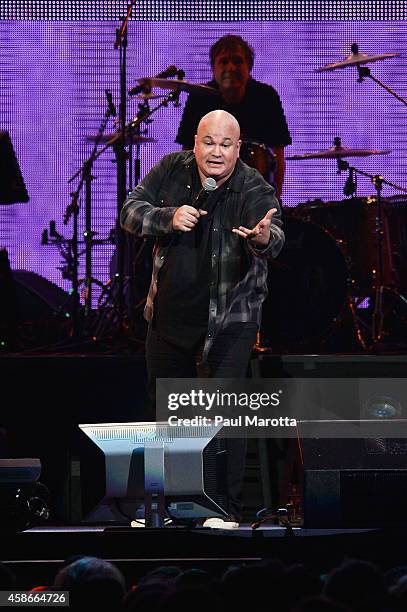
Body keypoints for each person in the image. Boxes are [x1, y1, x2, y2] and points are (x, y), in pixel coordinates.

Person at [120, 109, 284, 527]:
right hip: (171, 312)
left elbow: (274, 235)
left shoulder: (253, 185)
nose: (216, 152)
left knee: (223, 412)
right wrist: (166, 217)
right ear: (194, 143)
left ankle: (223, 509)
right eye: (208, 142)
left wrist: (263, 238)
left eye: (226, 145)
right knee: (165, 408)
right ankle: (163, 506)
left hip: (232, 318)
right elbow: (129, 210)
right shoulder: (170, 170)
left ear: (237, 148)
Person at [176, 34, 292, 200]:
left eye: (237, 61)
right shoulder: (199, 98)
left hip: (256, 197)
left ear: (248, 68)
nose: (230, 67)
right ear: (213, 69)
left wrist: (276, 201)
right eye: (223, 62)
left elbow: (278, 155)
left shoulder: (266, 97)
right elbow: (187, 153)